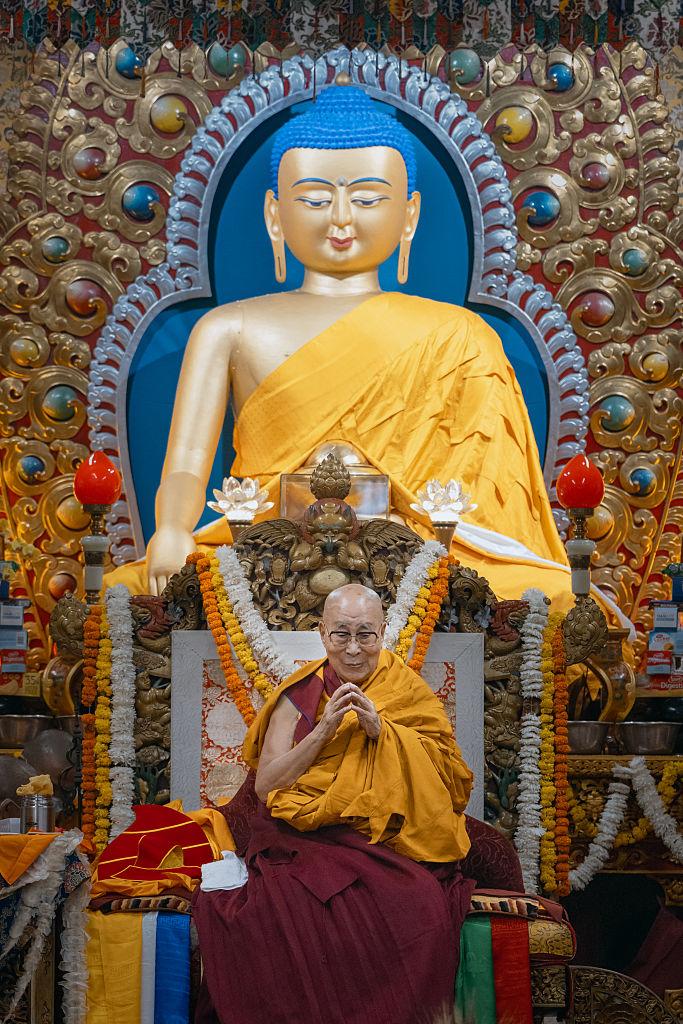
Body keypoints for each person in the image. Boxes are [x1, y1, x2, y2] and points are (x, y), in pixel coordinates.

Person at [105, 83, 628, 627]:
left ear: (409, 215)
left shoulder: (459, 334)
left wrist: (407, 532)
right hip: (266, 550)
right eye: (313, 199)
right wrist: (172, 531)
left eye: (368, 199)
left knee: (551, 595)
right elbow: (186, 465)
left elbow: (481, 507)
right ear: (274, 215)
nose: (340, 218)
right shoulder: (229, 327)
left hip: (409, 550)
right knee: (122, 593)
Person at [193, 584, 475, 1024]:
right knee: (295, 904)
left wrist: (383, 733)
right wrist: (324, 730)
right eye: (341, 634)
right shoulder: (299, 695)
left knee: (421, 901)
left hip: (379, 840)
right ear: (322, 634)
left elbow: (448, 776)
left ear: (383, 633)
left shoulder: (405, 689)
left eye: (365, 635)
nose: (354, 649)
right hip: (303, 837)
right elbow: (266, 785)